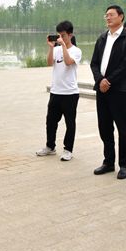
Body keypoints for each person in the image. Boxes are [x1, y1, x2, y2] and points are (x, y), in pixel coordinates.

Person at [90, 5, 126, 179]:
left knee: (123, 128)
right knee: (104, 126)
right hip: (102, 90)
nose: (108, 17)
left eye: (111, 15)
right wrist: (100, 80)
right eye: (106, 15)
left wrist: (108, 81)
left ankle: (125, 165)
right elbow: (94, 63)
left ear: (121, 16)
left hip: (119, 90)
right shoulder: (102, 38)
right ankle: (108, 162)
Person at [36, 21, 82, 161]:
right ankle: (50, 147)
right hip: (56, 92)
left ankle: (68, 150)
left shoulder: (76, 51)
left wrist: (63, 46)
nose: (60, 38)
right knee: (50, 121)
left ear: (70, 35)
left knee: (70, 123)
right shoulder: (56, 49)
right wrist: (51, 48)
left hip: (70, 93)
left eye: (63, 35)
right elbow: (49, 63)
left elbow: (68, 62)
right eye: (58, 35)